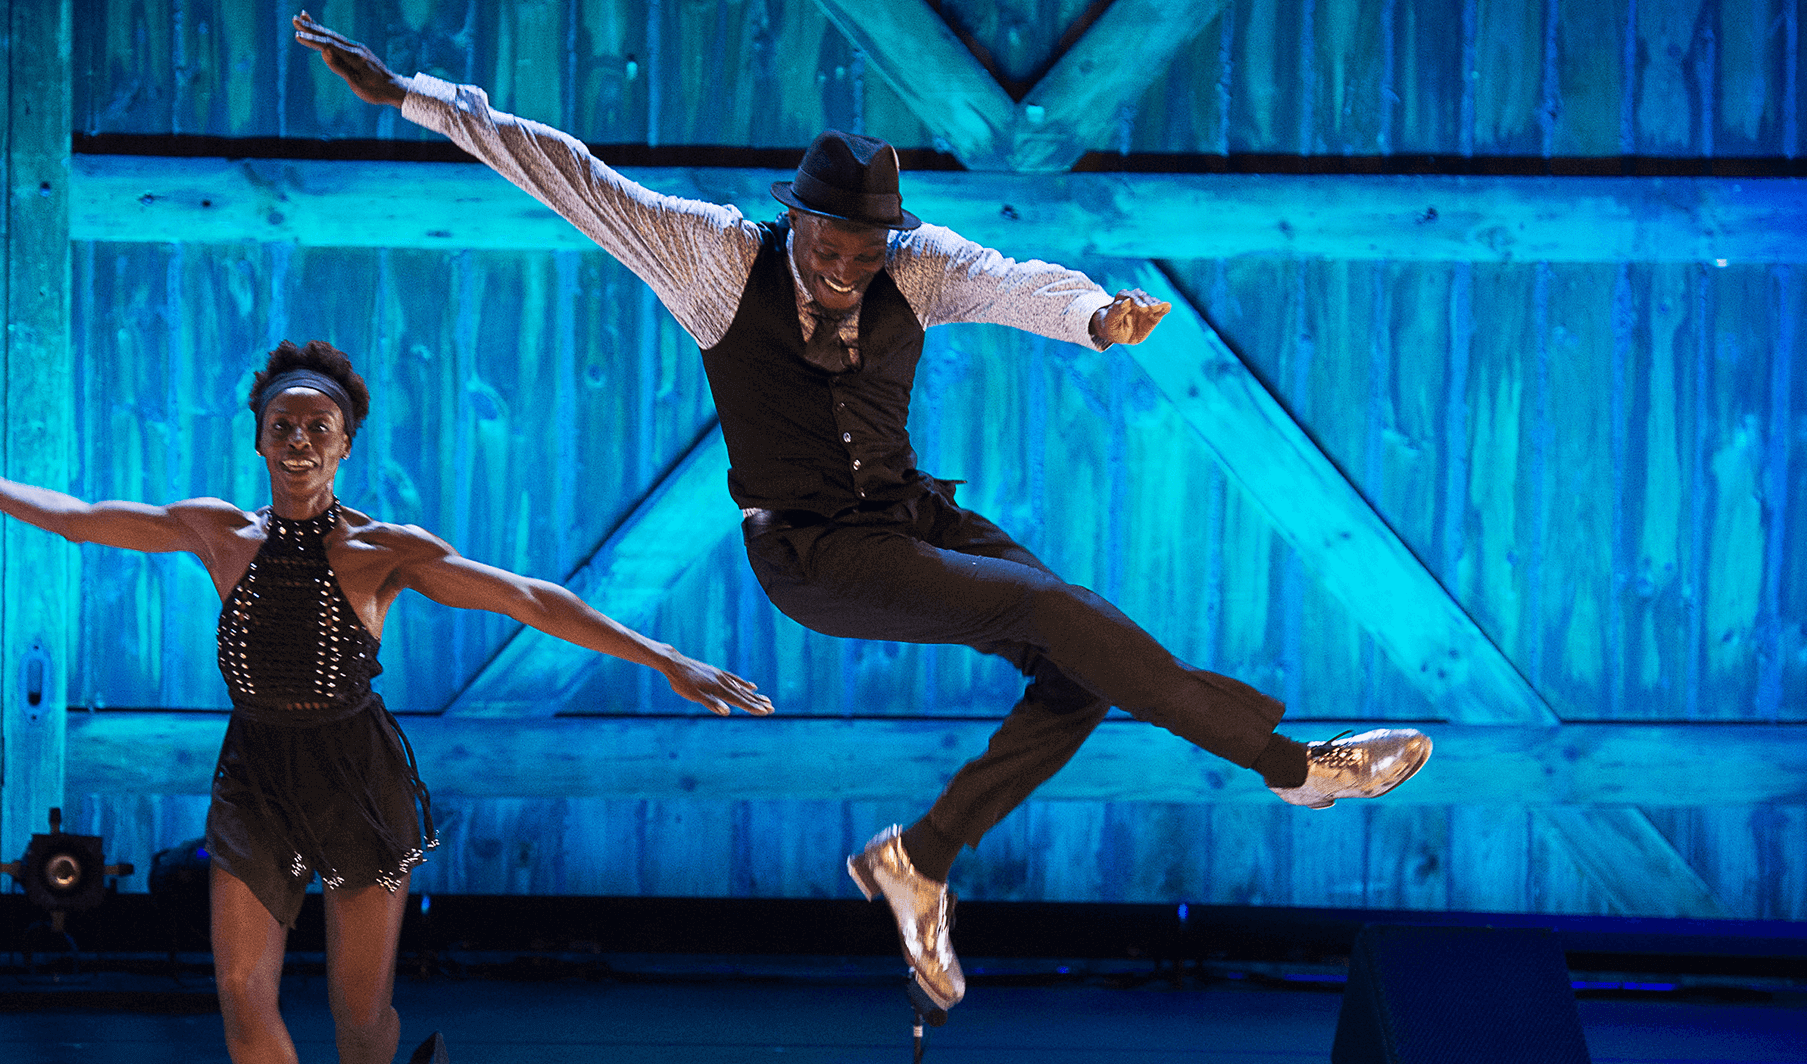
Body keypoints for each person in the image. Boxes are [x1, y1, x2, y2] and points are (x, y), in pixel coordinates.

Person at [294, 14, 1433, 1013]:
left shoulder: (914, 262)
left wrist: (1095, 315)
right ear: (793, 222)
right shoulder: (712, 259)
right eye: (827, 249)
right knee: (1055, 608)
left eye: (863, 253)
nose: (844, 272)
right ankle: (1290, 766)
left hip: (910, 518)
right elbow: (571, 173)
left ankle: (921, 857)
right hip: (811, 554)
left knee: (1079, 657)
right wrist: (411, 96)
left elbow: (1011, 281)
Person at [0, 339, 772, 1064]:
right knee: (239, 993)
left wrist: (666, 659)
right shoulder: (219, 531)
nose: (300, 439)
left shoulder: (382, 550)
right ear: (260, 441)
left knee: (360, 1022)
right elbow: (77, 518)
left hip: (357, 781)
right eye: (284, 426)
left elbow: (529, 599)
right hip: (256, 777)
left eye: (319, 427)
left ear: (345, 445)